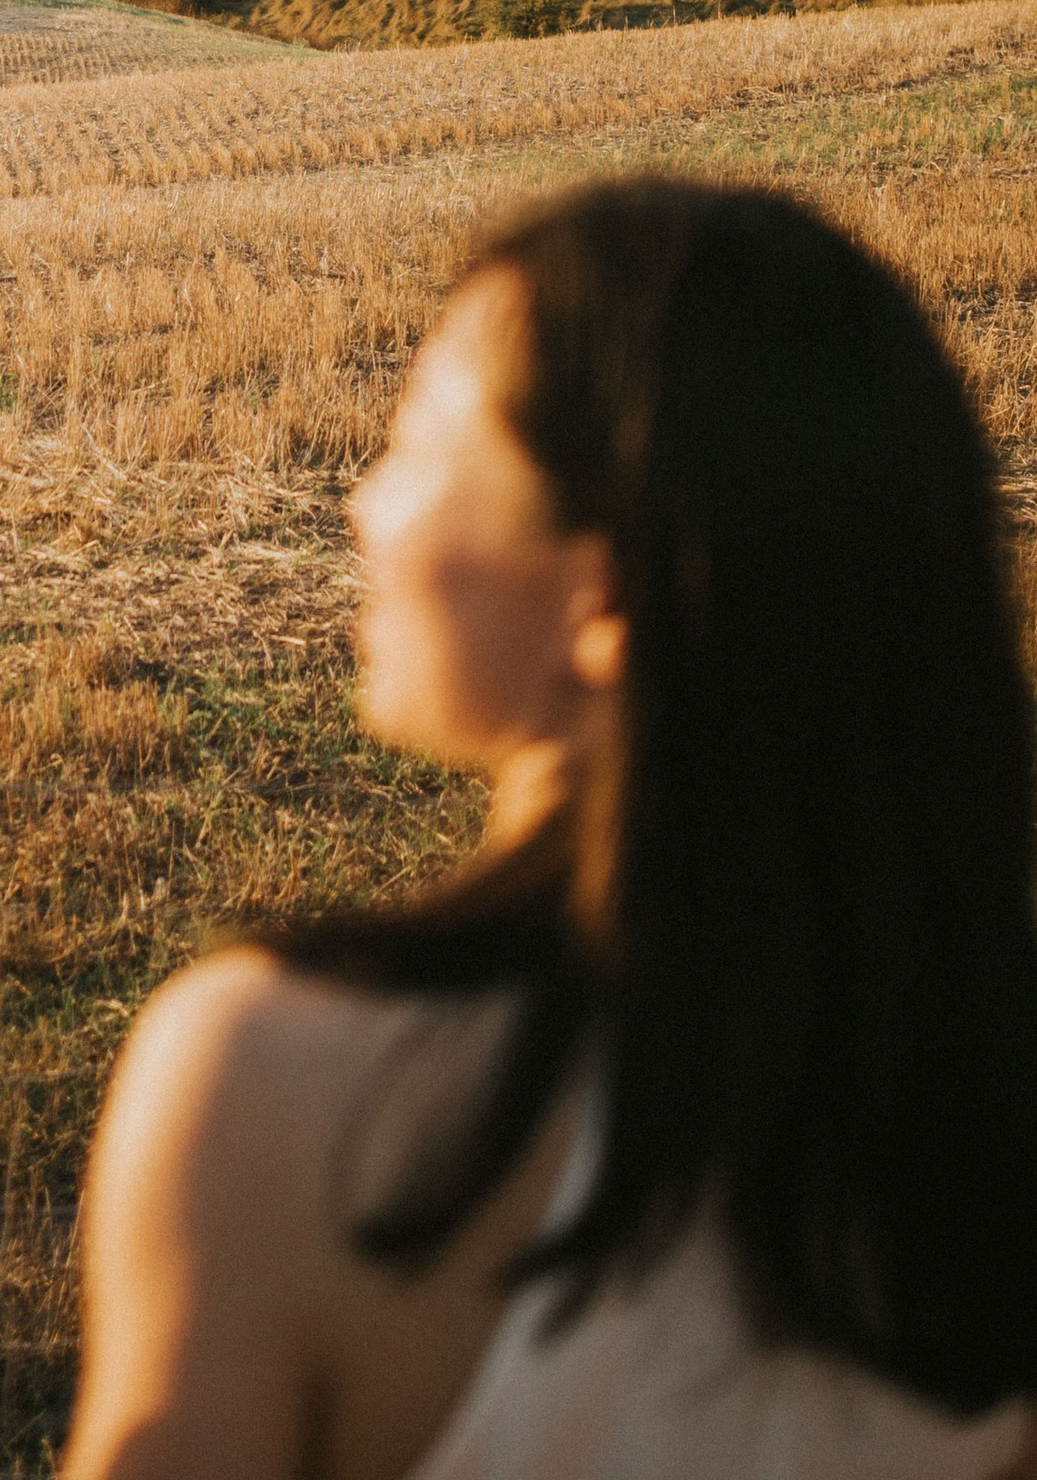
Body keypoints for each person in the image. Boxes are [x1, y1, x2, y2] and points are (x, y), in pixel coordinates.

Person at [64, 175, 1037, 1480]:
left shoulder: (285, 1095)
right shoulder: (980, 1105)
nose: (363, 506)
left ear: (602, 600)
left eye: (416, 443)